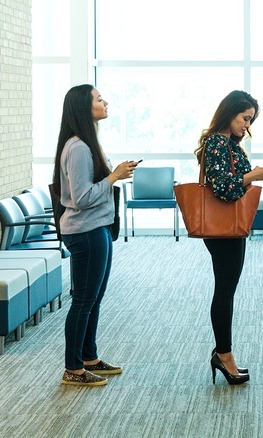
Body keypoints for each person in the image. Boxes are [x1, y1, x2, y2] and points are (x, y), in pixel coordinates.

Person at [54, 84, 137, 386]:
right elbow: (81, 197)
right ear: (84, 108)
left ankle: (89, 357)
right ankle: (73, 369)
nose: (106, 102)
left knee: (94, 297)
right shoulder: (77, 147)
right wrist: (113, 177)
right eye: (99, 99)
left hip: (97, 228)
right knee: (83, 300)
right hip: (85, 231)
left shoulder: (88, 143)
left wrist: (113, 175)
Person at [196, 90, 263, 385]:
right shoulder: (216, 142)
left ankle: (224, 353)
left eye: (250, 120)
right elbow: (224, 188)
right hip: (222, 229)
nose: (247, 125)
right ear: (230, 113)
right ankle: (223, 355)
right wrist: (250, 177)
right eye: (245, 118)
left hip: (229, 228)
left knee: (227, 288)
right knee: (225, 290)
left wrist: (253, 173)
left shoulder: (226, 144)